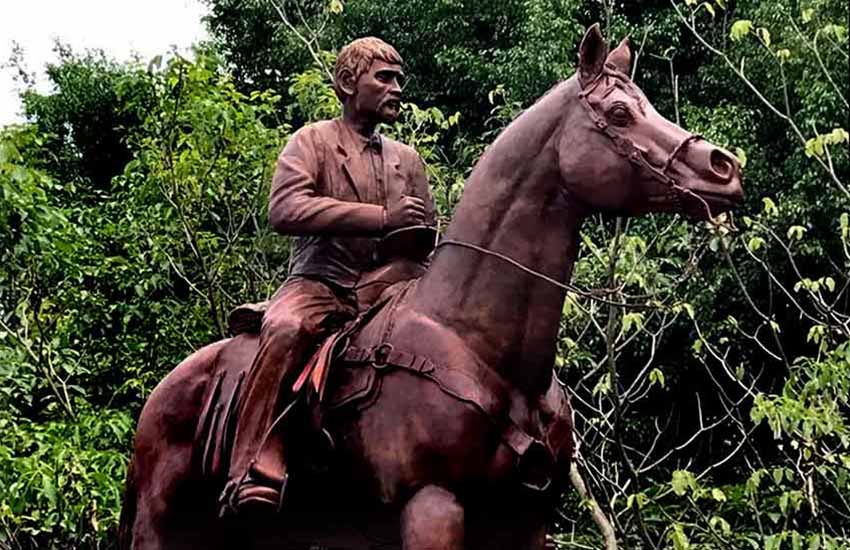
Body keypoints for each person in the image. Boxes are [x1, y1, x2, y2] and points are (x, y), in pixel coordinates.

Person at [220, 37, 436, 514]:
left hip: (395, 286)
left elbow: (427, 234)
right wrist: (381, 217)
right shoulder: (312, 142)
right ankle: (254, 465)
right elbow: (286, 208)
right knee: (286, 328)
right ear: (346, 83)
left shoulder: (409, 160)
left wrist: (420, 235)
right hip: (323, 282)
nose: (397, 88)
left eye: (400, 78)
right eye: (384, 77)